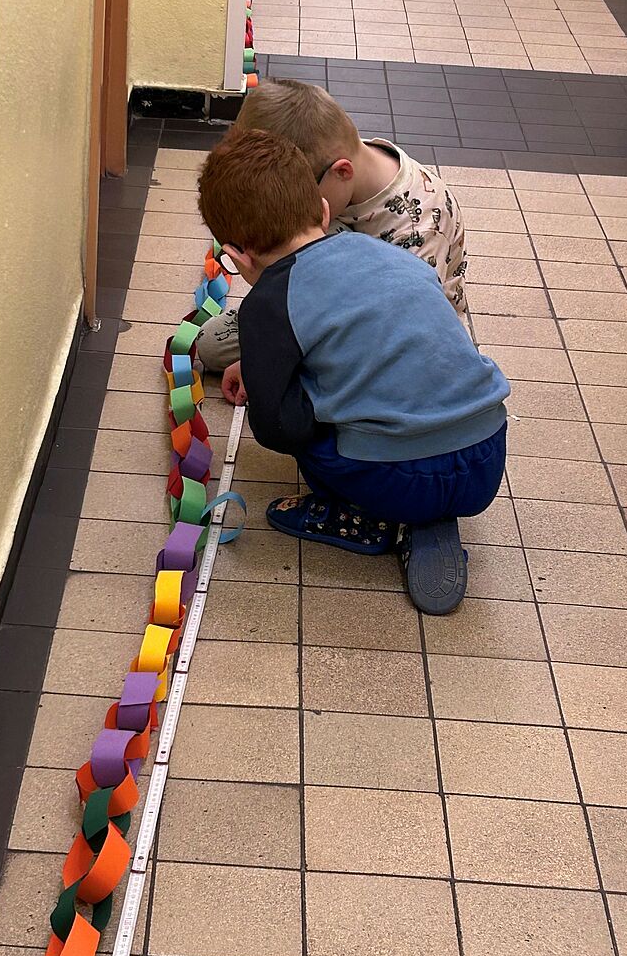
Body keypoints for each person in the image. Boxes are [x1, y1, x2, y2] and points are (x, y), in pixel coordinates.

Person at [197, 128, 510, 615]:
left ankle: (363, 516)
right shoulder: (392, 253)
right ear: (324, 211)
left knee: (308, 424)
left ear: (238, 257)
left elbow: (278, 429)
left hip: (398, 479)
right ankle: (424, 509)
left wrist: (268, 375)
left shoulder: (268, 304)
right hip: (486, 458)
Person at [197, 78, 467, 382]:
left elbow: (405, 332)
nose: (290, 205)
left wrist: (270, 363)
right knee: (211, 343)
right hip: (323, 302)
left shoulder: (417, 228)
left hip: (391, 340)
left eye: (300, 194)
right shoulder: (330, 160)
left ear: (341, 172)